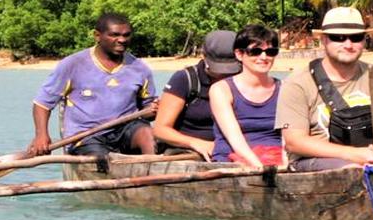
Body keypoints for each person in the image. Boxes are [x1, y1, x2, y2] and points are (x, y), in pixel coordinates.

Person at [275, 6, 373, 171]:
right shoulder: (297, 83)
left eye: (356, 37)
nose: (348, 44)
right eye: (338, 37)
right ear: (324, 40)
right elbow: (295, 142)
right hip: (316, 163)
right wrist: (357, 155)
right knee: (352, 169)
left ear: (364, 40)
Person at [27, 12, 156, 158]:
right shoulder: (73, 65)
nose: (121, 40)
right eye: (114, 35)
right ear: (97, 36)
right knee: (102, 159)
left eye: (126, 35)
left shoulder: (140, 69)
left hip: (126, 131)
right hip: (85, 136)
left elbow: (148, 111)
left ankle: (155, 170)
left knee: (149, 135)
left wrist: (155, 109)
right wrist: (41, 136)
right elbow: (42, 104)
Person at [152, 30, 242, 160]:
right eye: (218, 70)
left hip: (235, 148)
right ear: (204, 56)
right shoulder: (185, 79)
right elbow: (160, 129)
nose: (224, 75)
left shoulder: (245, 78)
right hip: (188, 151)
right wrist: (197, 143)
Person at [209, 23, 286, 167]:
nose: (264, 57)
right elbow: (234, 138)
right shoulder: (221, 90)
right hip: (233, 160)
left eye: (271, 52)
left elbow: (288, 137)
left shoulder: (285, 89)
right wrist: (260, 167)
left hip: (277, 158)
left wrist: (285, 166)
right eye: (255, 51)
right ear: (239, 54)